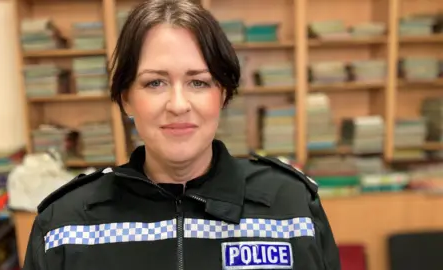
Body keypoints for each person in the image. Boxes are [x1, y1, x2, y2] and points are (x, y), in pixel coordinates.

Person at [22, 0, 341, 269]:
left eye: (198, 82)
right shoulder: (63, 225)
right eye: (155, 83)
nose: (178, 104)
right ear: (126, 99)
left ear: (223, 95)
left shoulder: (293, 208)